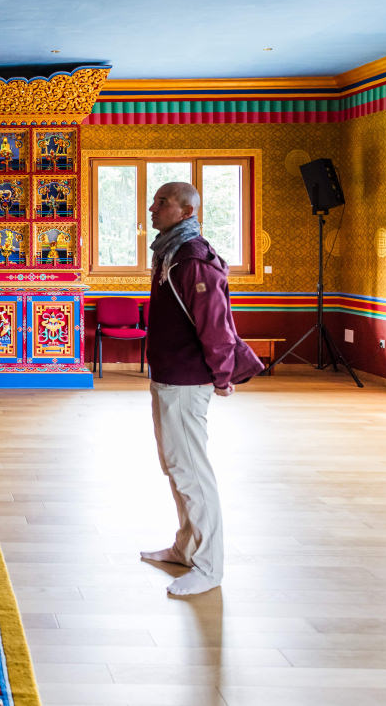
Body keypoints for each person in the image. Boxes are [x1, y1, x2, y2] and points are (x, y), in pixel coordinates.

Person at [142, 181, 262, 597]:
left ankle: (209, 566)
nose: (152, 209)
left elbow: (216, 327)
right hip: (169, 375)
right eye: (154, 201)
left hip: (186, 380)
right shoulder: (171, 253)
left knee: (192, 471)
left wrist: (223, 375)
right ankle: (186, 547)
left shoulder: (194, 260)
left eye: (162, 203)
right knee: (176, 466)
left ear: (187, 211)